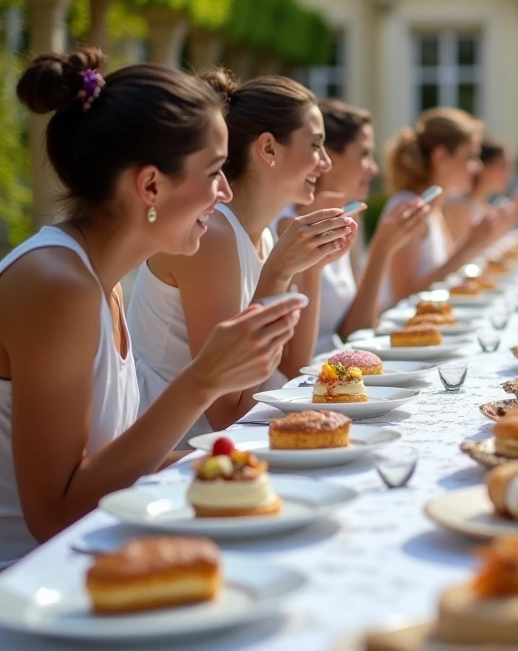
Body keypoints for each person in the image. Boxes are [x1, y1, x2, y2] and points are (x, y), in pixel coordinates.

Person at [0, 49, 302, 565]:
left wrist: (253, 462)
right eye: (213, 173)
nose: (225, 193)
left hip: (97, 561)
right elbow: (54, 515)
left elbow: (109, 466)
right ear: (150, 185)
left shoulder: (99, 280)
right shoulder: (56, 285)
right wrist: (202, 382)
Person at [128, 72, 353, 441]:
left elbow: (296, 365)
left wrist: (312, 265)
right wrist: (277, 275)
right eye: (315, 145)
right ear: (268, 149)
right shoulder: (212, 233)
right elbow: (227, 412)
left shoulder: (260, 234)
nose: (325, 163)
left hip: (225, 443)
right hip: (179, 452)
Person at [280, 99, 430, 354]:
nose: (374, 168)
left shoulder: (349, 215)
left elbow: (357, 329)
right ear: (329, 156)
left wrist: (383, 249)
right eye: (364, 154)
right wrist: (382, 247)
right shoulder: (287, 227)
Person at [380, 108, 514, 305]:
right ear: (441, 158)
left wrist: (478, 240)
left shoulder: (434, 205)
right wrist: (470, 244)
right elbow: (403, 297)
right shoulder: (408, 207)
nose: (477, 167)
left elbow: (450, 271)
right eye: (469, 157)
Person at [443, 136, 518, 245]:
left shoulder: (482, 203)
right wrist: (514, 215)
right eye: (503, 166)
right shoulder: (459, 205)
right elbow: (459, 256)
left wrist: (515, 215)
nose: (509, 175)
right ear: (484, 167)